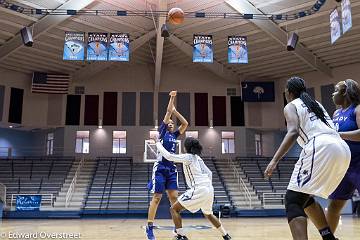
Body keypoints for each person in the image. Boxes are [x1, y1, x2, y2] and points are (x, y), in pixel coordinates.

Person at [264, 76, 351, 240]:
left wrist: (274, 160)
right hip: (342, 148)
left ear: (288, 92)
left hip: (321, 146)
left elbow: (293, 131)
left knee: (292, 200)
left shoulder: (291, 105)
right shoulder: (315, 104)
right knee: (304, 197)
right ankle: (328, 237)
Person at [305, 79, 360, 233]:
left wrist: (338, 134)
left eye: (336, 90)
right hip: (342, 166)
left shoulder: (357, 109)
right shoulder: (336, 113)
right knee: (334, 206)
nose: (333, 94)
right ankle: (328, 238)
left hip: (358, 164)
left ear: (346, 93)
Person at [155, 136, 231, 240]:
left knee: (174, 209)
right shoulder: (198, 158)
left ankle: (181, 235)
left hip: (199, 188)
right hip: (209, 188)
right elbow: (210, 173)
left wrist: (157, 143)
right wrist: (207, 187)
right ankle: (226, 235)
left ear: (186, 147)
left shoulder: (188, 157)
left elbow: (168, 156)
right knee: (208, 214)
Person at [146, 91, 189, 240]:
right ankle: (149, 228)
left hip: (171, 169)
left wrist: (176, 112)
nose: (170, 123)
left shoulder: (175, 135)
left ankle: (178, 231)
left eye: (172, 123)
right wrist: (172, 98)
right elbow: (167, 111)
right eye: (168, 122)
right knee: (157, 197)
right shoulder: (162, 132)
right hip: (160, 168)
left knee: (174, 199)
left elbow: (185, 124)